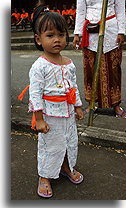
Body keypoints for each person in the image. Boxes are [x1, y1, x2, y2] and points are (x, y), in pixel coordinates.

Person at [29, 5, 84, 198]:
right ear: (38, 39)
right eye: (50, 35)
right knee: (51, 145)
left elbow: (73, 87)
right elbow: (35, 95)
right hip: (50, 116)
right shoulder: (39, 67)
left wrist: (77, 106)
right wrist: (39, 119)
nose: (57, 39)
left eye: (61, 34)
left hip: (67, 113)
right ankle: (44, 176)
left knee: (69, 142)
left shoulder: (69, 63)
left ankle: (66, 167)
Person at [73, 0, 126, 118]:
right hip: (90, 32)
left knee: (114, 70)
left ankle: (116, 105)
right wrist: (77, 33)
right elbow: (81, 11)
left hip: (111, 31)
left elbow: (120, 9)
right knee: (90, 70)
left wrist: (121, 31)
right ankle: (91, 103)